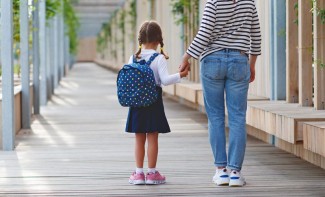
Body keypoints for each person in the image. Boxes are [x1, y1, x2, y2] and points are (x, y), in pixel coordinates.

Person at [179, 0, 261, 187]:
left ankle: (221, 171)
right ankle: (235, 173)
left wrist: (186, 56)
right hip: (240, 61)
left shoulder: (213, 2)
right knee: (237, 117)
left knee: (215, 117)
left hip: (212, 61)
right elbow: (256, 37)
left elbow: (204, 34)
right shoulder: (249, 3)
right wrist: (252, 65)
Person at [126, 21, 189, 185]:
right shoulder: (159, 58)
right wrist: (180, 75)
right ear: (158, 39)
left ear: (140, 39)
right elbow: (166, 81)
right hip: (153, 101)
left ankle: (138, 174)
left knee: (139, 137)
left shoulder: (133, 57)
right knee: (153, 137)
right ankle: (152, 173)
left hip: (136, 102)